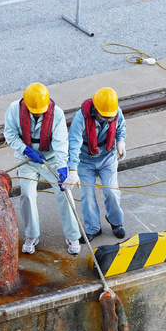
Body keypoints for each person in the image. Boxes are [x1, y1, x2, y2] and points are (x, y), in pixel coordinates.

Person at [3, 83, 82, 255]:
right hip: (27, 160)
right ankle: (31, 235)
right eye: (34, 111)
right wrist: (26, 150)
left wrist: (63, 169)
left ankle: (73, 235)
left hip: (52, 160)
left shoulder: (57, 114)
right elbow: (9, 134)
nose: (38, 113)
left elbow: (61, 143)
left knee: (65, 193)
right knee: (27, 196)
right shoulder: (14, 110)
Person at [67, 87, 127, 243]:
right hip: (85, 160)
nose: (107, 120)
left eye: (109, 118)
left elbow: (120, 127)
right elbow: (73, 144)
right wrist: (72, 169)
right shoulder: (80, 118)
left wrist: (120, 141)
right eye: (103, 117)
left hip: (107, 157)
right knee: (87, 195)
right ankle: (93, 228)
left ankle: (115, 221)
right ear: (94, 110)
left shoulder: (115, 111)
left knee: (112, 191)